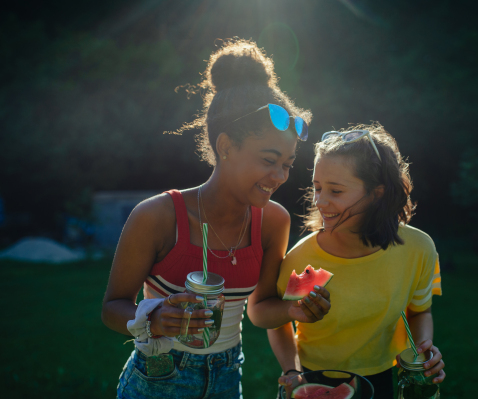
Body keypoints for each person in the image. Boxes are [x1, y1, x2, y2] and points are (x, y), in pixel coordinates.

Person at [101, 38, 328, 399]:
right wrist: (153, 318)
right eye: (269, 161)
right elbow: (112, 307)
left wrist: (295, 310)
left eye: (287, 164)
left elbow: (260, 309)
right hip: (158, 379)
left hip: (227, 378)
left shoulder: (274, 222)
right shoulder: (157, 216)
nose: (280, 176)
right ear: (225, 147)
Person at [264, 123, 446, 398]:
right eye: (317, 187)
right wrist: (292, 371)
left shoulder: (420, 249)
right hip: (312, 376)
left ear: (377, 193)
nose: (320, 202)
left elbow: (420, 311)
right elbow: (277, 320)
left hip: (382, 375)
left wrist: (424, 352)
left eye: (335, 191)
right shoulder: (303, 258)